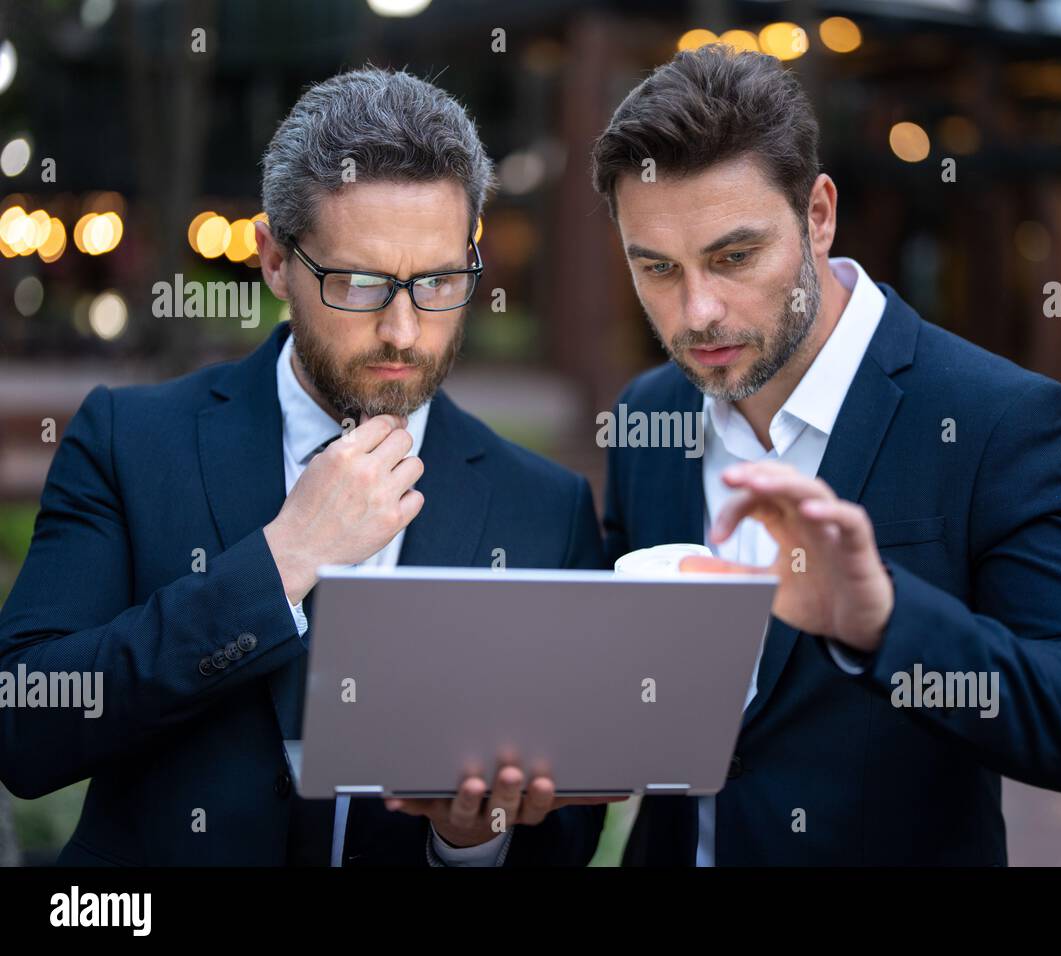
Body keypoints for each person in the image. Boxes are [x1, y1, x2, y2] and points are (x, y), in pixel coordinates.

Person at [0, 67, 607, 866]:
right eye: (359, 283)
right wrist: (284, 560)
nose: (403, 331)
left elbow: (566, 833)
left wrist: (468, 838)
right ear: (275, 260)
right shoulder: (130, 440)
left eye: (437, 282)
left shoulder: (547, 508)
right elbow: (26, 726)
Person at [593, 45, 1061, 865]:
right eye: (655, 268)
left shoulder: (995, 419)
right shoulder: (648, 416)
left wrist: (885, 624)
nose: (698, 311)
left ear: (818, 214)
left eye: (734, 257)